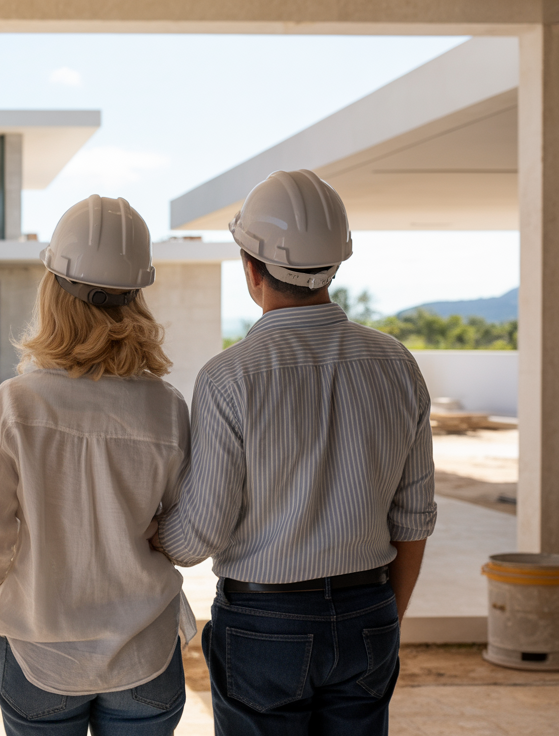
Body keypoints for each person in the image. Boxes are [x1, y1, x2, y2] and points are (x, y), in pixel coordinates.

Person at [154, 170, 437, 735]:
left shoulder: (229, 377)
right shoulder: (397, 363)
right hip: (369, 608)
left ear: (250, 267)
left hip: (264, 624)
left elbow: (198, 537)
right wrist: (381, 619)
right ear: (337, 263)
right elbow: (414, 518)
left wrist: (153, 531)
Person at [0, 195, 194, 736]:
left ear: (53, 290)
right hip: (145, 657)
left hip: (40, 654)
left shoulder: (19, 403)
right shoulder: (166, 406)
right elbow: (184, 532)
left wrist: (7, 592)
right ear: (137, 297)